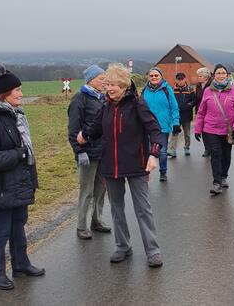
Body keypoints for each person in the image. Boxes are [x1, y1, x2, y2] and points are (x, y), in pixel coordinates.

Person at [78, 63, 164, 267]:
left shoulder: (137, 104)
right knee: (116, 208)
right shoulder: (105, 106)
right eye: (107, 84)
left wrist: (153, 154)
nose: (109, 88)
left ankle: (153, 250)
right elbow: (95, 128)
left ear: (124, 85)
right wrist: (84, 136)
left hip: (136, 164)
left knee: (143, 209)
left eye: (114, 85)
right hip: (111, 166)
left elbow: (154, 129)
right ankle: (123, 246)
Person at [0, 64, 45, 290]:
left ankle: (21, 264)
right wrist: (18, 154)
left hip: (18, 183)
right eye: (17, 91)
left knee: (18, 226)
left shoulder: (15, 115)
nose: (21, 95)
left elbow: (26, 151)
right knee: (0, 231)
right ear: (5, 93)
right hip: (1, 187)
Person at [68, 65, 111, 239]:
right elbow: (73, 129)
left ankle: (97, 220)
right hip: (88, 153)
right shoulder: (80, 99)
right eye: (101, 79)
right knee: (86, 190)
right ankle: (81, 226)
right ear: (91, 80)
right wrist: (79, 151)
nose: (104, 82)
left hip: (104, 152)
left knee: (101, 189)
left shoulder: (103, 98)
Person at [194, 64, 234, 195]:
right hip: (210, 129)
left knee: (226, 155)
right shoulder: (208, 91)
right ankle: (216, 182)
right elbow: (201, 112)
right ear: (213, 76)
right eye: (218, 73)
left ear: (227, 75)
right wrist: (197, 129)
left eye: (223, 73)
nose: (221, 75)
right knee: (216, 154)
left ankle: (223, 177)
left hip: (228, 130)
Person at [141, 67, 180, 182]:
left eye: (156, 75)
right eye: (151, 75)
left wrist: (176, 123)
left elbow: (174, 107)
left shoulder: (167, 89)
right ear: (148, 77)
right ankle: (146, 172)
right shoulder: (144, 90)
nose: (153, 77)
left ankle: (163, 172)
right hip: (147, 126)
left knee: (162, 152)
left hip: (162, 126)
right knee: (147, 151)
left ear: (161, 77)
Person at [168, 72, 196, 157]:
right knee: (174, 132)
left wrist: (188, 105)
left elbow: (194, 101)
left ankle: (186, 147)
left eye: (182, 79)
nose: (180, 81)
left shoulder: (190, 89)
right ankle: (172, 150)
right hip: (176, 116)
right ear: (176, 80)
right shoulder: (171, 89)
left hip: (187, 115)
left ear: (185, 79)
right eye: (178, 79)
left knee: (187, 133)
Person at [195, 67, 213, 157]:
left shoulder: (211, 85)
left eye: (200, 76)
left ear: (206, 77)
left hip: (209, 111)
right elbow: (197, 98)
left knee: (209, 130)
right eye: (198, 76)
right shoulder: (198, 86)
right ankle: (207, 149)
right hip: (200, 110)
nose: (198, 77)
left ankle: (212, 148)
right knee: (203, 131)